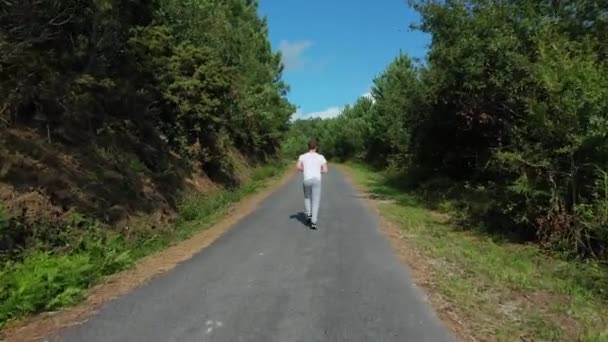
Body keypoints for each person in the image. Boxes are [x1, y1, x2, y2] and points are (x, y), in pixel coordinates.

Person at [296, 139, 328, 229]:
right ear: (316, 147)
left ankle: (308, 215)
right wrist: (318, 170)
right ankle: (314, 222)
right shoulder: (321, 157)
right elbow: (325, 170)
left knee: (307, 198)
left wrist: (305, 170)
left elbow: (298, 167)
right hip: (316, 180)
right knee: (316, 201)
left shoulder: (302, 156)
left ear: (308, 146)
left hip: (307, 180)